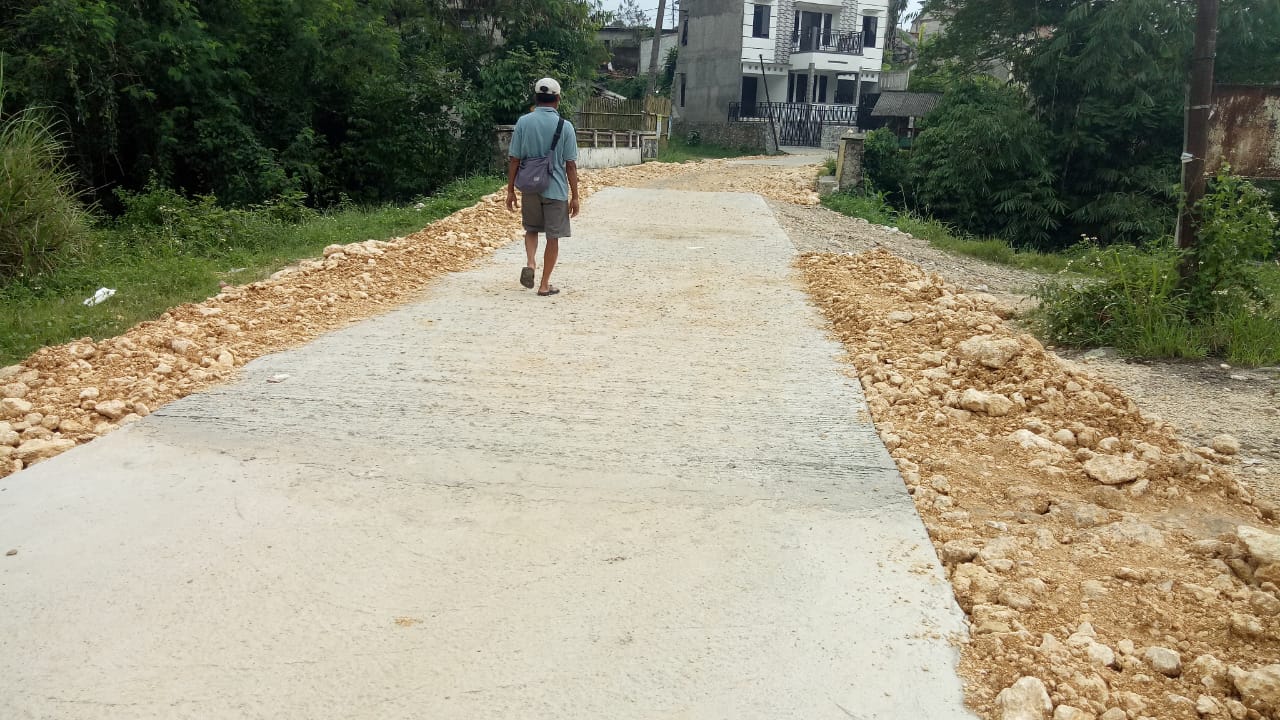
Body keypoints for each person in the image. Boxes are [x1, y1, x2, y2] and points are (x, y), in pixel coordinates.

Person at [505, 77, 580, 297]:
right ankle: (544, 285)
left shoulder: (523, 122)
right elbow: (571, 165)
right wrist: (575, 196)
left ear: (536, 98)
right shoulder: (565, 126)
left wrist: (510, 190)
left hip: (530, 187)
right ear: (558, 99)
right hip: (555, 190)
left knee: (531, 229)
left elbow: (514, 159)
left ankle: (531, 262)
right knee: (552, 237)